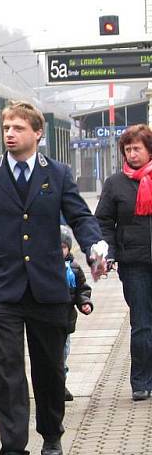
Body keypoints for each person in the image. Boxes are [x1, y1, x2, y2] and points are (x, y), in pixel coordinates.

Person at [0, 100, 108, 455]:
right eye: (7, 128)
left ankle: (51, 433)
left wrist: (95, 245)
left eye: (18, 128)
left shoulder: (57, 174)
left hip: (47, 288)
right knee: (9, 371)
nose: (10, 134)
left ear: (37, 133)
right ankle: (13, 450)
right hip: (3, 290)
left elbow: (79, 215)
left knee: (48, 370)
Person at [95, 124, 152, 401]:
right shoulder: (115, 184)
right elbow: (104, 221)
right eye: (127, 149)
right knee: (141, 323)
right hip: (134, 264)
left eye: (137, 148)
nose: (132, 154)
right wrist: (110, 253)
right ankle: (140, 382)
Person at [59, 225, 94, 402]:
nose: (59, 251)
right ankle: (54, 385)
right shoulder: (44, 268)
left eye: (63, 247)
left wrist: (84, 303)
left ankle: (60, 384)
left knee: (63, 355)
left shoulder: (74, 269)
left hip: (66, 321)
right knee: (51, 355)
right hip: (48, 320)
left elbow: (82, 290)